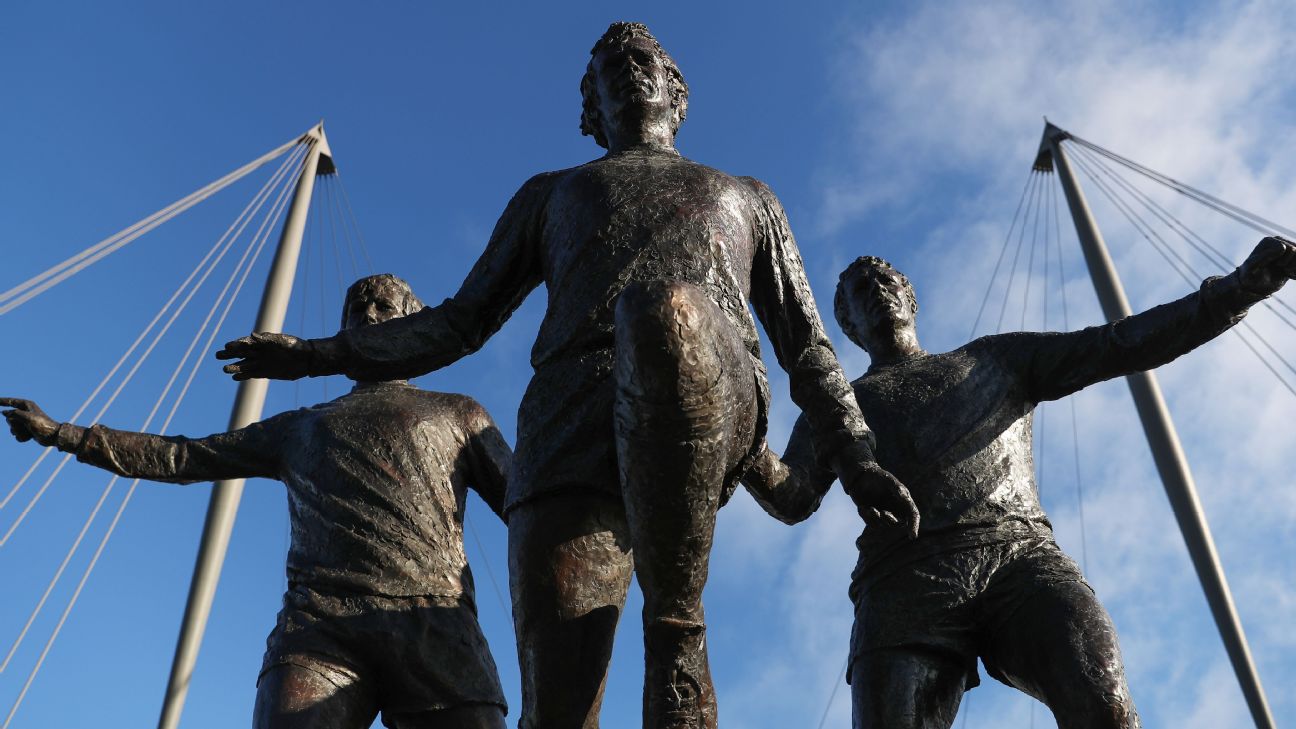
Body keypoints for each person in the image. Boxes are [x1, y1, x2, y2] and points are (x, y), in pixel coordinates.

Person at [213, 21, 915, 729]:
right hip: (568, 428)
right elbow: (458, 322)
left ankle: (675, 619)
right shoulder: (551, 197)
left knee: (663, 312)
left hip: (707, 384)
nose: (627, 68)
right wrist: (315, 356)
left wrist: (856, 458)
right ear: (590, 111)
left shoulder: (745, 196)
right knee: (556, 711)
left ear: (678, 90)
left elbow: (809, 349)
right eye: (607, 67)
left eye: (643, 58)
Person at [741, 236, 1296, 729]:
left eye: (886, 280)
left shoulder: (996, 360)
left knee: (1102, 701)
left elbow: (1120, 343)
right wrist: (740, 439)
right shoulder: (839, 406)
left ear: (911, 298)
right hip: (903, 585)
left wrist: (1235, 292)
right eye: (860, 290)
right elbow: (793, 498)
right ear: (848, 325)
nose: (875, 290)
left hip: (1020, 560)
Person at [2, 274, 511, 729]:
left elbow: (528, 500)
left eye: (383, 307)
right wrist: (63, 434)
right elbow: (185, 456)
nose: (369, 317)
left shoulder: (459, 415)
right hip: (320, 628)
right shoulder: (302, 426)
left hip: (434, 621)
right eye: (357, 309)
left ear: (414, 324)